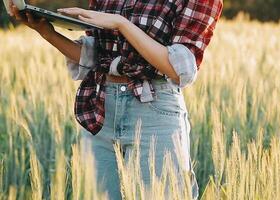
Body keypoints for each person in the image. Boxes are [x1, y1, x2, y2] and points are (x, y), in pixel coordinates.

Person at [9, 0, 222, 199]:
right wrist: (46, 32)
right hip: (101, 110)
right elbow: (98, 57)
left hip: (154, 114)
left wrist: (122, 24)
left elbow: (178, 70)